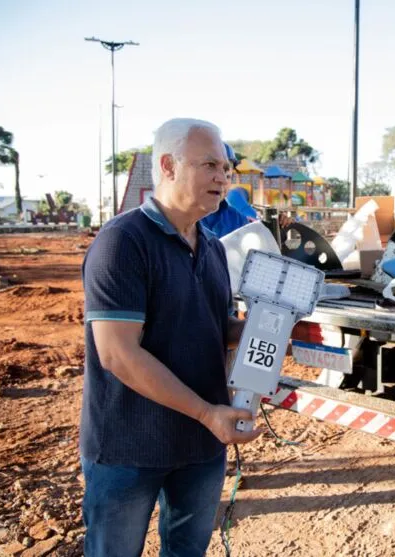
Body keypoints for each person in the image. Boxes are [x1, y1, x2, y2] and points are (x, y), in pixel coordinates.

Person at [80, 118, 261, 557]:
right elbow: (118, 355)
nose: (223, 178)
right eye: (210, 166)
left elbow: (214, 328)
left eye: (226, 168)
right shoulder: (123, 242)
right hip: (130, 448)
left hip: (201, 447)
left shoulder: (214, 248)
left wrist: (267, 330)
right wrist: (205, 413)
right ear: (167, 165)